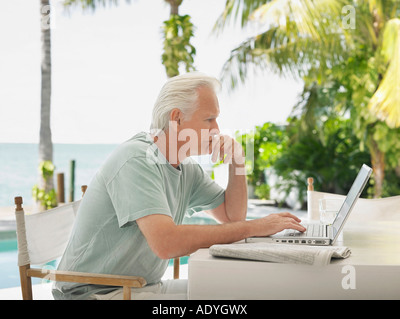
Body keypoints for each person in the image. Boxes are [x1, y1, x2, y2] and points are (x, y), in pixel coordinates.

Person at [52, 72, 305, 300]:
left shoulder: (186, 169)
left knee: (238, 290)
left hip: (138, 287)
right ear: (176, 118)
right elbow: (167, 243)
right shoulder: (138, 159)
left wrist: (237, 162)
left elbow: (232, 217)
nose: (217, 129)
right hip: (93, 293)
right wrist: (255, 227)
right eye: (209, 119)